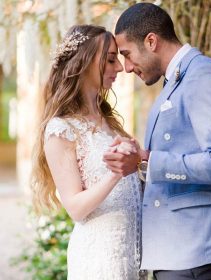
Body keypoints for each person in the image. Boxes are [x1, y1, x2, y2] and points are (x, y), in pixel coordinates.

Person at [103, 3, 211, 280]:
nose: (126, 68)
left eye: (126, 55)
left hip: (196, 248)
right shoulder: (176, 81)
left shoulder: (204, 77)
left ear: (151, 41)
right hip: (176, 248)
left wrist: (149, 159)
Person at [31, 24, 147, 280]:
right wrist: (116, 173)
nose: (119, 67)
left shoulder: (109, 121)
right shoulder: (60, 129)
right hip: (99, 260)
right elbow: (74, 207)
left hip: (132, 256)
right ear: (83, 63)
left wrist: (140, 157)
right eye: (109, 60)